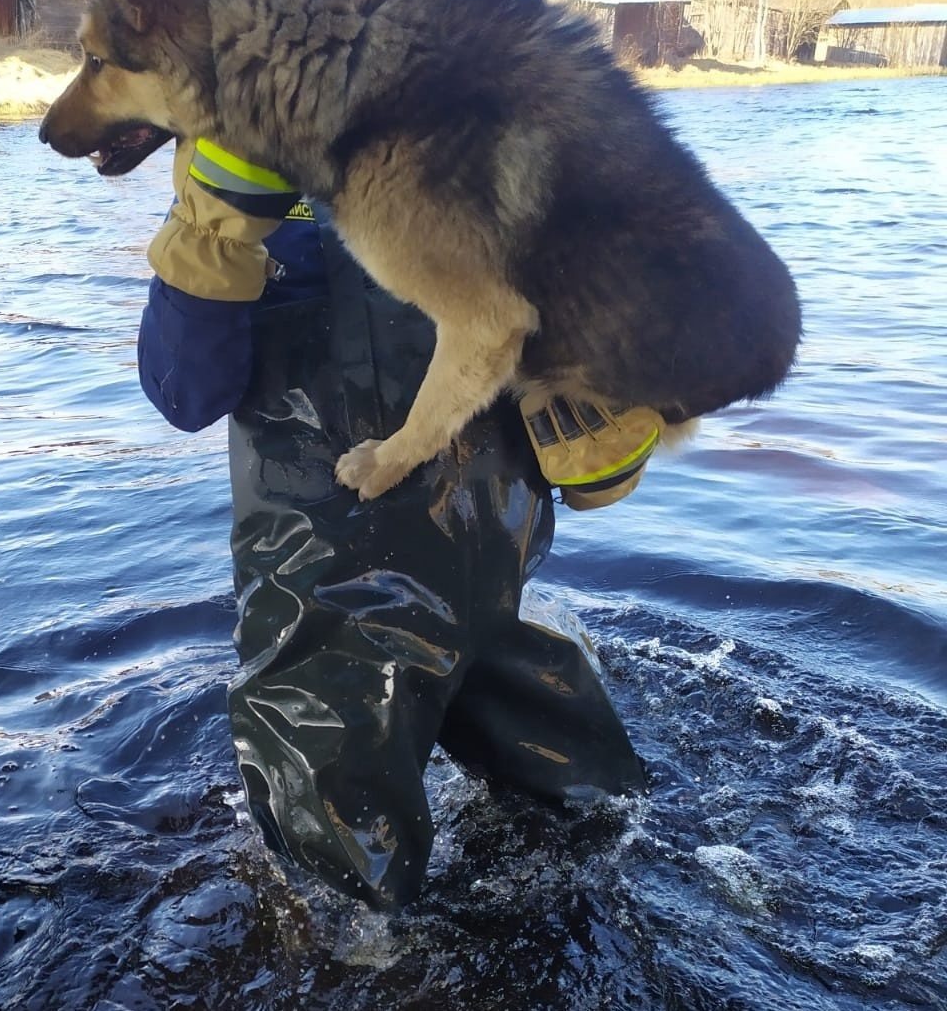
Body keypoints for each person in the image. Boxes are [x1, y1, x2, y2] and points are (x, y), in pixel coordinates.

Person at [137, 137, 647, 910]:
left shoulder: (242, 172)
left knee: (336, 900)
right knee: (593, 822)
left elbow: (185, 392)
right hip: (493, 584)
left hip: (333, 612)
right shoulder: (492, 134)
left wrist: (209, 231)